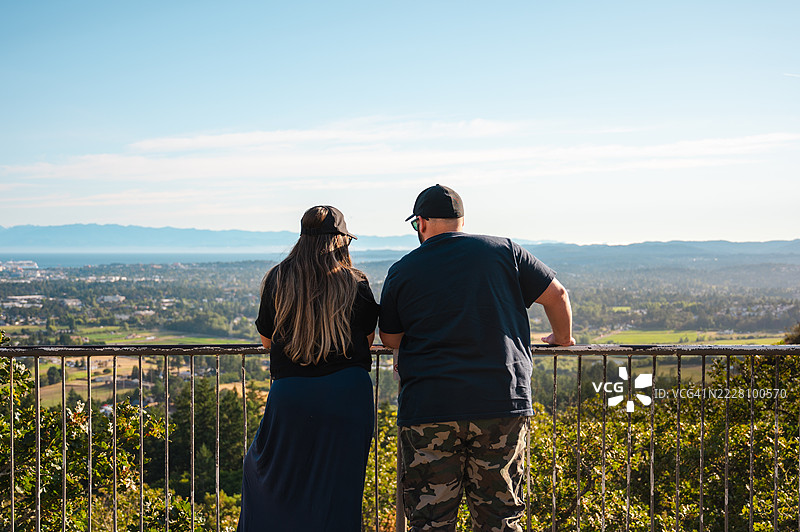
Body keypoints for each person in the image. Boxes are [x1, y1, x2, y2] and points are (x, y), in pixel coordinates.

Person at [379, 184, 575, 531]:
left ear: (421, 223)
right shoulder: (505, 251)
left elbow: (390, 337)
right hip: (500, 401)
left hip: (430, 406)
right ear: (461, 221)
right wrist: (562, 339)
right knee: (500, 518)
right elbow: (556, 295)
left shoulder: (403, 269)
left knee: (431, 520)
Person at [237, 206, 379, 532]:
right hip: (348, 395)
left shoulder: (278, 278)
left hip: (292, 394)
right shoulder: (355, 282)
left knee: (273, 478)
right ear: (341, 241)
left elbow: (266, 339)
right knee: (339, 489)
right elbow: (368, 337)